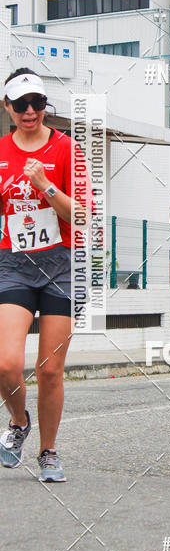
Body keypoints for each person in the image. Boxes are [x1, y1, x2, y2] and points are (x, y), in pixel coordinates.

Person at [0, 68, 89, 482]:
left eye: (37, 103)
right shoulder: (1, 151)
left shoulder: (67, 149)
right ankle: (19, 422)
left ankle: (49, 451)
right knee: (6, 364)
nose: (31, 111)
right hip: (14, 265)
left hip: (60, 265)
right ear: (9, 108)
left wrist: (45, 186)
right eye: (21, 105)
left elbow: (83, 216)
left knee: (51, 369)